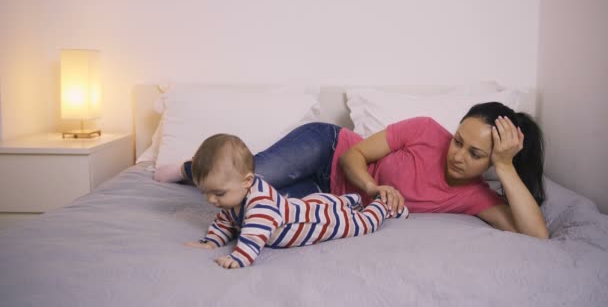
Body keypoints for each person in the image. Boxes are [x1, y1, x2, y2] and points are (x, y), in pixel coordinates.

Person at [158, 101, 548, 239]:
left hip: (330, 200)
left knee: (252, 208)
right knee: (240, 178)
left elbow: (536, 236)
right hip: (325, 149)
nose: (457, 154)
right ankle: (191, 167)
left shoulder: (475, 197)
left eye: (475, 153)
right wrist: (374, 188)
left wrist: (504, 166)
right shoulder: (427, 130)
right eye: (458, 140)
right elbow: (353, 157)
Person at [184, 133, 406, 269]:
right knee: (320, 202)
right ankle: (349, 200)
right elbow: (225, 223)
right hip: (302, 208)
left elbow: (253, 236)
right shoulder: (232, 199)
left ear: (247, 181)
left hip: (318, 223)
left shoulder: (260, 205)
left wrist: (239, 258)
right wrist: (211, 242)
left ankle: (382, 206)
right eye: (206, 193)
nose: (211, 200)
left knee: (361, 224)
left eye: (218, 194)